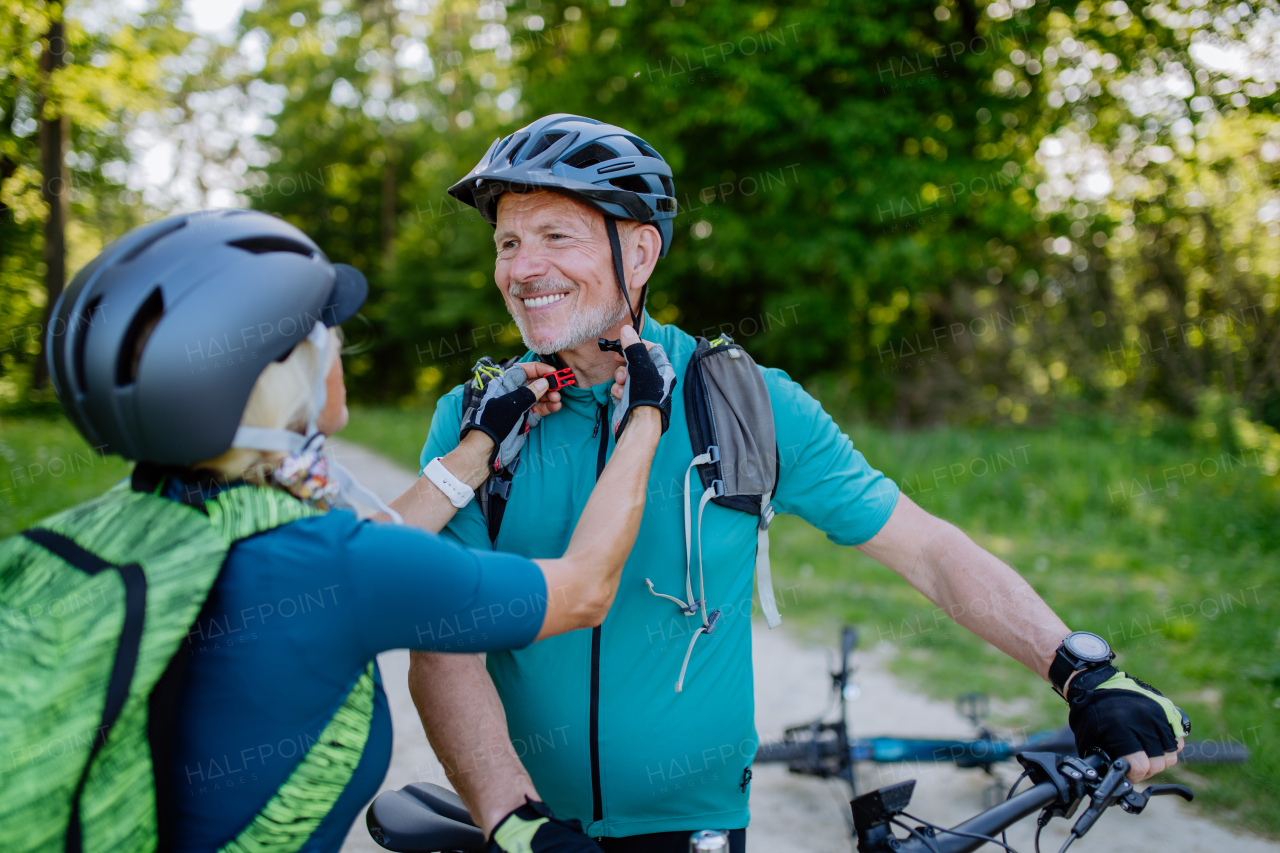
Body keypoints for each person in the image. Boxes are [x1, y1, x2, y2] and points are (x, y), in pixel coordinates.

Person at [406, 114, 1190, 852]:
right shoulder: (481, 417)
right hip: (532, 826)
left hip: (698, 824)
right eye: (508, 242)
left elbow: (925, 549)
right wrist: (515, 821)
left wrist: (1083, 670)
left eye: (554, 236)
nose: (522, 267)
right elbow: (446, 643)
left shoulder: (741, 400)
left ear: (638, 253)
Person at [0, 209, 671, 853]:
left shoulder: (118, 524)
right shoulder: (336, 563)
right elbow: (585, 587)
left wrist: (479, 445)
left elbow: (368, 542)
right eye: (326, 336)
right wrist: (645, 414)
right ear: (278, 376)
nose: (339, 349)